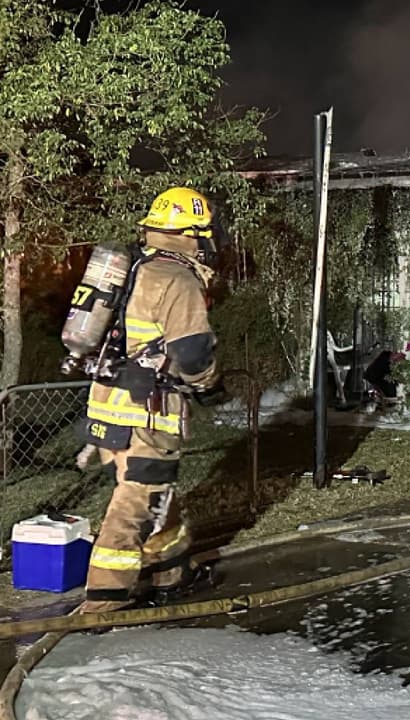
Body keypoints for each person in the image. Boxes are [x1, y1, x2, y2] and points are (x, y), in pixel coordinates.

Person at [80, 187, 225, 613]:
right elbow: (193, 352)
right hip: (150, 413)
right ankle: (103, 602)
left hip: (110, 406)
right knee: (135, 504)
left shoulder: (136, 269)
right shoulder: (177, 279)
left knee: (155, 493)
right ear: (192, 234)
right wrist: (210, 385)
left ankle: (171, 574)